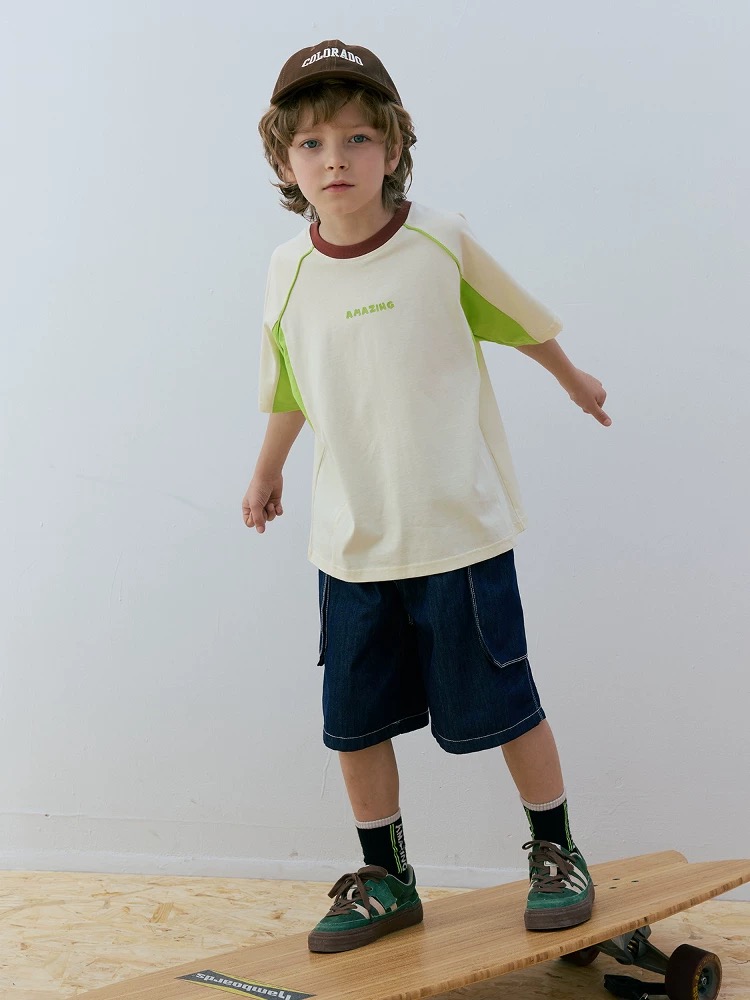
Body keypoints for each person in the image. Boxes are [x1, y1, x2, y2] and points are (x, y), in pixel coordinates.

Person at [243, 39, 611, 955]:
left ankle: (558, 851)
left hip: (458, 533)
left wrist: (573, 379)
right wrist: (267, 468)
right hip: (351, 544)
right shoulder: (288, 269)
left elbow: (518, 319)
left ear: (395, 148)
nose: (335, 160)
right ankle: (386, 877)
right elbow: (290, 381)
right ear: (285, 163)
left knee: (508, 703)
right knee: (354, 725)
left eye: (358, 139)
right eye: (312, 144)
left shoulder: (437, 241)